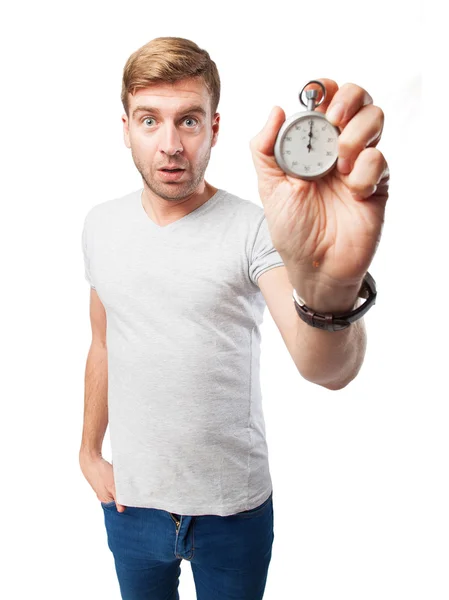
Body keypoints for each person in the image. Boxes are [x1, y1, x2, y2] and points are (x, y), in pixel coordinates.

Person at [79, 36, 389, 600]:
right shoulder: (100, 226)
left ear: (214, 128)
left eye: (189, 121)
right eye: (150, 121)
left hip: (233, 511)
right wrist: (89, 451)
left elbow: (323, 366)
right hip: (132, 506)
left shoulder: (255, 228)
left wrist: (333, 290)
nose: (171, 145)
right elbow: (103, 343)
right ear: (125, 127)